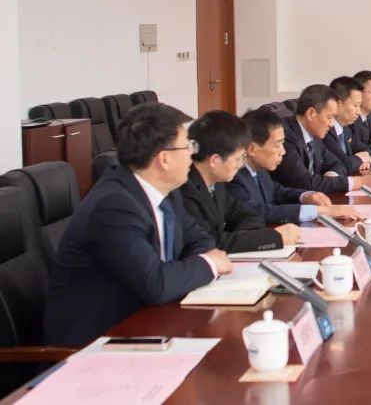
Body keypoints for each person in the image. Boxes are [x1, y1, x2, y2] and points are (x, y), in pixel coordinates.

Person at [43, 103, 232, 347]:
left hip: (149, 324)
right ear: (164, 158)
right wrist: (209, 264)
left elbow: (200, 239)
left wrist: (191, 267)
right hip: (96, 344)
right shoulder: (113, 206)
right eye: (188, 146)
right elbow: (156, 284)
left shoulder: (167, 193)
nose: (192, 154)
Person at [181, 111, 299, 253]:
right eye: (238, 159)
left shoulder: (217, 183)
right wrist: (274, 237)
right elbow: (210, 242)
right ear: (215, 160)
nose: (241, 165)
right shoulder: (185, 190)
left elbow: (249, 215)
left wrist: (240, 238)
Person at [229, 109, 359, 226]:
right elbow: (259, 212)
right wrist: (320, 211)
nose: (283, 151)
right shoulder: (234, 177)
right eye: (277, 145)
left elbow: (277, 192)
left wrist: (306, 196)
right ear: (252, 149)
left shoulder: (259, 169)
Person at [271, 84, 371, 193]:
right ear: (311, 114)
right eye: (329, 117)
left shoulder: (314, 134)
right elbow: (304, 183)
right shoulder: (285, 136)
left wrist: (332, 178)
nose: (331, 124)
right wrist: (360, 182)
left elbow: (337, 163)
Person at [324, 75, 371, 174]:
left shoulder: (346, 129)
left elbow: (364, 148)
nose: (359, 112)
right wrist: (360, 159)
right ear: (338, 103)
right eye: (355, 105)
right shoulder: (325, 130)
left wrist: (365, 158)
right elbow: (344, 163)